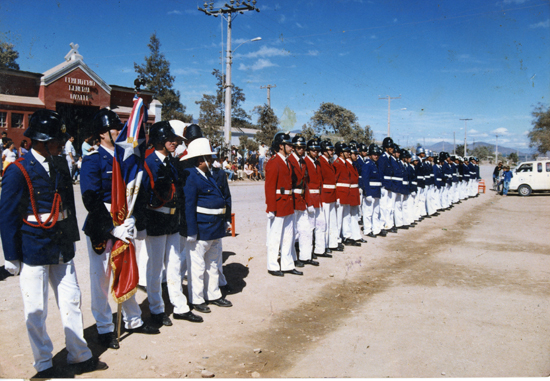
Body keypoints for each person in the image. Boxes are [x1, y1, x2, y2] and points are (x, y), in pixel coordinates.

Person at [0, 109, 107, 378]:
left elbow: (67, 207)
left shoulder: (60, 164)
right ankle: (44, 363)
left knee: (72, 300)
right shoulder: (18, 170)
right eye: (57, 140)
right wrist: (11, 256)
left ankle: (79, 354)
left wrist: (71, 240)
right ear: (41, 140)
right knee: (36, 308)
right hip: (33, 245)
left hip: (60, 244)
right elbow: (8, 216)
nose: (62, 144)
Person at [80, 109, 160, 350]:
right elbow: (90, 199)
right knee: (102, 278)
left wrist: (132, 218)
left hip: (124, 220)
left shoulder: (125, 158)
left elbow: (134, 193)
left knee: (127, 270)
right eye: (114, 128)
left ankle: (133, 320)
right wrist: (111, 228)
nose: (119, 132)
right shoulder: (93, 160)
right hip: (103, 224)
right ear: (102, 133)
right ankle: (104, 327)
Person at [141, 121, 202, 326]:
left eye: (174, 139)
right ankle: (156, 309)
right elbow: (142, 195)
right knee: (156, 267)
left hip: (172, 220)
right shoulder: (148, 162)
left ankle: (180, 306)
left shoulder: (173, 162)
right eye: (170, 139)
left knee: (175, 266)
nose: (174, 142)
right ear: (159, 140)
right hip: (156, 219)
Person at [183, 137, 233, 310]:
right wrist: (191, 231)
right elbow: (189, 205)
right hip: (201, 228)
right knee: (197, 267)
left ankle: (213, 294)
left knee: (212, 263)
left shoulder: (209, 175)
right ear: (200, 159)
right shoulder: (191, 176)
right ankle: (196, 299)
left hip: (215, 228)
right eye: (208, 157)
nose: (211, 160)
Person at [265, 132, 302, 277]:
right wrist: (271, 208)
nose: (292, 148)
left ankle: (287, 264)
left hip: (288, 203)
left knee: (288, 235)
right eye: (289, 145)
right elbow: (269, 187)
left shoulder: (287, 161)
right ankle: (273, 265)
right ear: (281, 146)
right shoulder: (274, 162)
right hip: (279, 204)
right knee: (275, 237)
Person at [288, 135, 319, 267]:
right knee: (293, 231)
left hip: (302, 199)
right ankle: (292, 258)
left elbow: (305, 183)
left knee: (306, 229)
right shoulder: (289, 160)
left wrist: (309, 201)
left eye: (303, 148)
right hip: (292, 199)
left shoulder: (303, 162)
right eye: (298, 147)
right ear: (294, 148)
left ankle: (306, 256)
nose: (301, 150)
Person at [304, 138, 329, 259]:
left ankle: (320, 248)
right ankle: (309, 251)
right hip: (311, 198)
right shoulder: (305, 162)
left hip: (318, 198)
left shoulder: (317, 162)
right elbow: (305, 184)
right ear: (308, 151)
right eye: (313, 150)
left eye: (317, 150)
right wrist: (308, 202)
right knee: (310, 226)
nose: (315, 152)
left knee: (321, 224)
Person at [318, 139, 342, 253]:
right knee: (326, 222)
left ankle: (332, 243)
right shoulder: (321, 162)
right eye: (330, 150)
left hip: (332, 195)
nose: (332, 151)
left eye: (332, 149)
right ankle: (325, 244)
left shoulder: (329, 162)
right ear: (324, 151)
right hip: (325, 196)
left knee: (332, 221)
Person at [360, 144, 384, 238]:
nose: (376, 156)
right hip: (370, 192)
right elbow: (365, 180)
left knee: (376, 212)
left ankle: (376, 229)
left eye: (377, 154)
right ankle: (367, 229)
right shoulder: (367, 165)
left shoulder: (376, 164)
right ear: (370, 155)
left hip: (377, 192)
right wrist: (367, 193)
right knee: (368, 212)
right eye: (374, 154)